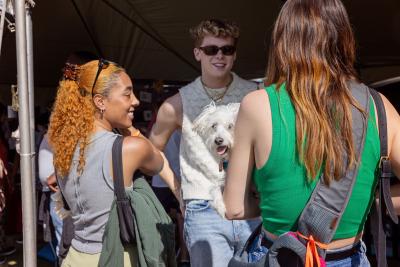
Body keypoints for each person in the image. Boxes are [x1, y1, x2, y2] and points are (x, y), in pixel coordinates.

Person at [223, 0, 400, 266]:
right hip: (348, 258)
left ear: (282, 41)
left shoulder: (256, 104)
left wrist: (276, 203)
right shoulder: (378, 107)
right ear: (344, 38)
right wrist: (371, 201)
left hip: (280, 257)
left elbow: (233, 208)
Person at [149, 19, 260, 266]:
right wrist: (177, 189)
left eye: (227, 49)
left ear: (234, 54)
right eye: (211, 49)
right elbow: (151, 151)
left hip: (252, 206)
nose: (219, 56)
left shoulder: (255, 94)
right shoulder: (176, 104)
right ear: (198, 53)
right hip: (203, 209)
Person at [48, 59, 173, 266]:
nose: (135, 101)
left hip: (75, 256)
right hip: (115, 257)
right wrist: (133, 131)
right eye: (127, 94)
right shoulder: (130, 147)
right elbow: (158, 162)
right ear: (100, 102)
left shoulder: (64, 150)